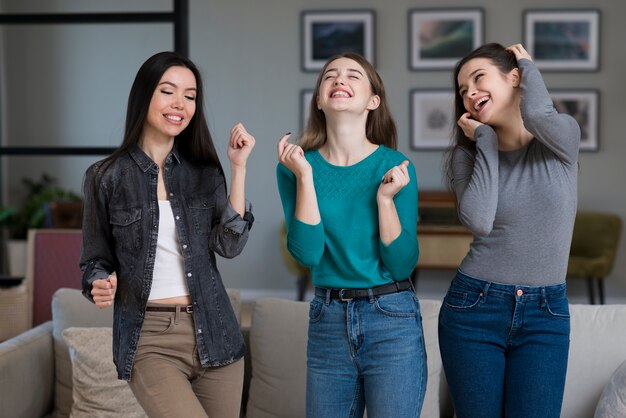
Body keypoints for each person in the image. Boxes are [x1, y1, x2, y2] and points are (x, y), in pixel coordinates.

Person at [79, 51, 255, 418]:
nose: (180, 104)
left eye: (190, 96)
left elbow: (229, 244)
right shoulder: (106, 176)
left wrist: (237, 169)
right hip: (150, 338)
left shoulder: (204, 172)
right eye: (168, 91)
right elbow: (95, 260)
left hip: (216, 331)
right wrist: (100, 281)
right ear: (144, 96)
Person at [276, 52, 427, 418]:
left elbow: (402, 263)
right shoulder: (295, 168)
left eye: (353, 75)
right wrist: (306, 178)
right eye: (330, 75)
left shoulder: (396, 167)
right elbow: (308, 255)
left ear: (373, 101)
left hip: (391, 318)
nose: (339, 79)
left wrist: (386, 201)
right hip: (327, 318)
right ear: (319, 99)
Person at [439, 43, 580, 418]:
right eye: (462, 89)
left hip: (545, 313)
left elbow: (535, 112)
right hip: (474, 309)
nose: (469, 92)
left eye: (478, 78)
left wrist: (528, 64)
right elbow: (480, 220)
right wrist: (484, 140)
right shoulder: (467, 154)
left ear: (514, 78)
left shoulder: (562, 140)